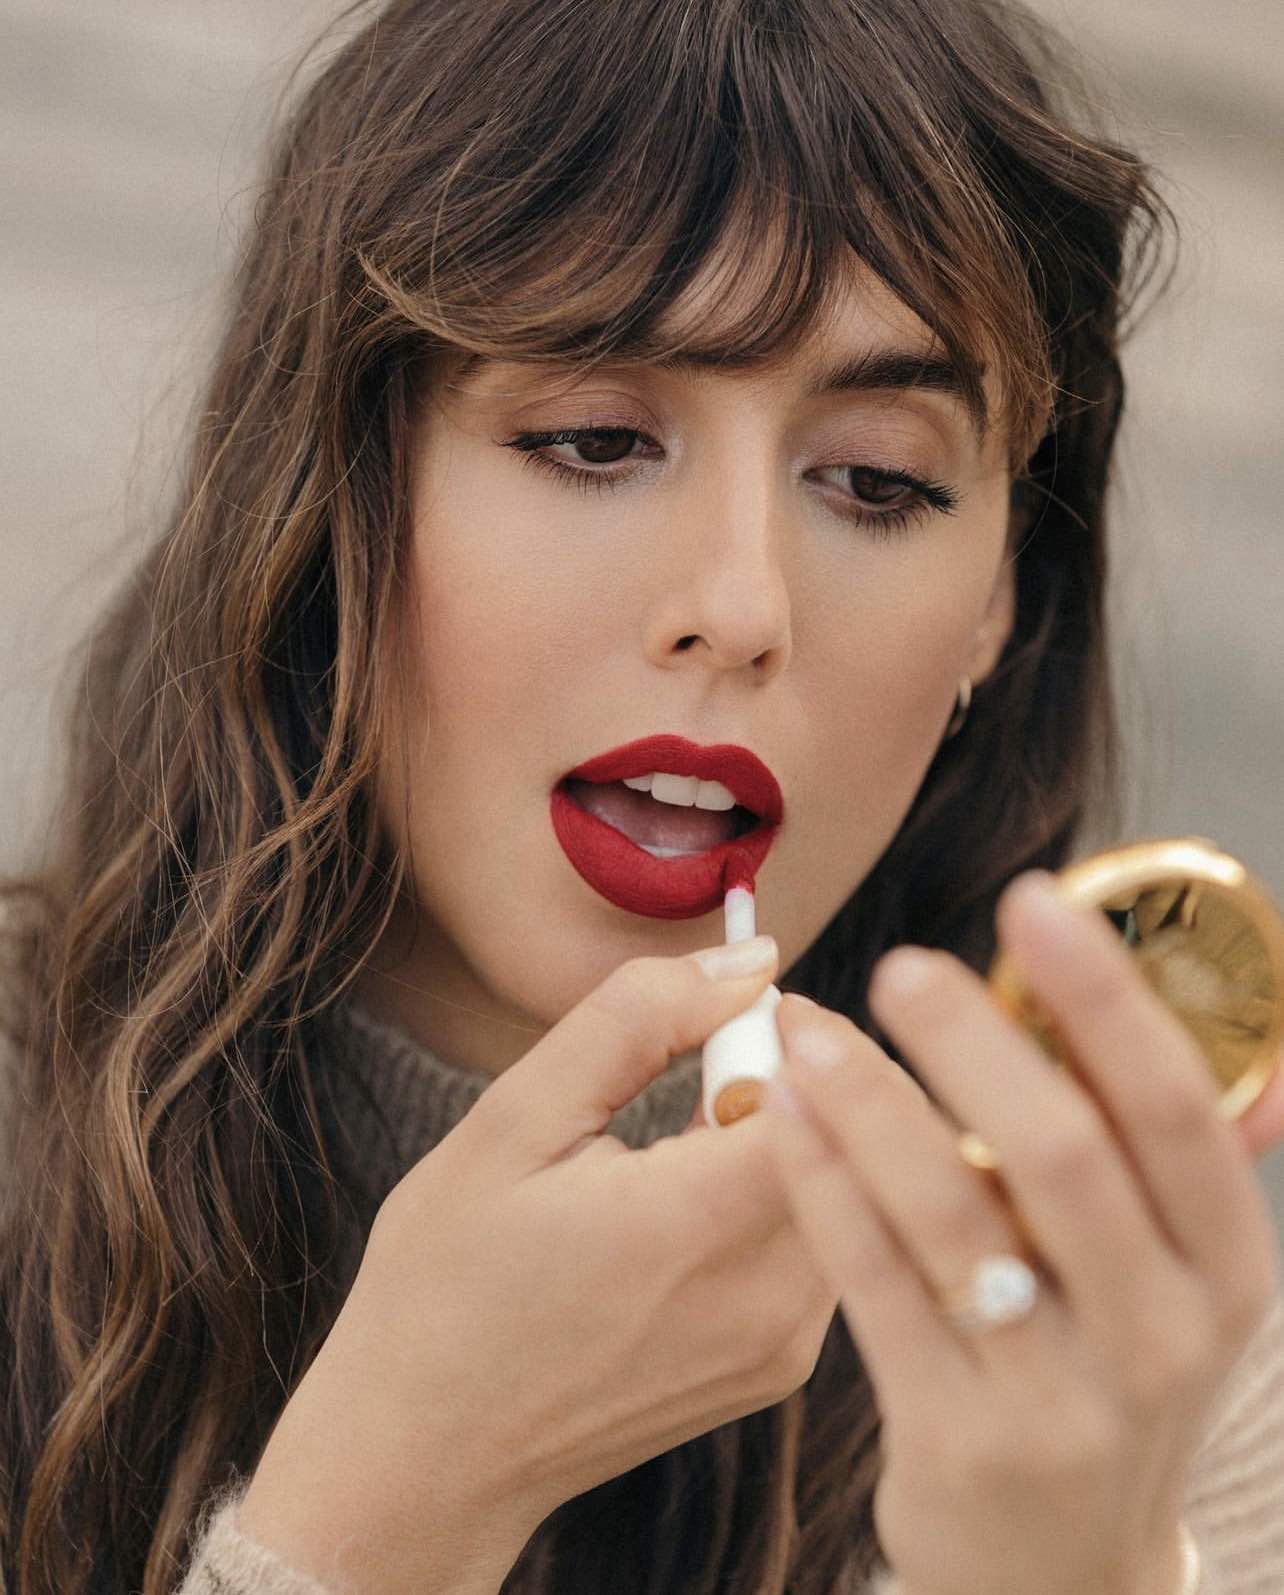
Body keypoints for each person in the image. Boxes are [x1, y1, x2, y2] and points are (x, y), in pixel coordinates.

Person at [2, 0, 1282, 1591]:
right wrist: (389, 1505)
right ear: (327, 493)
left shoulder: (1154, 1405)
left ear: (997, 609)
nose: (741, 605)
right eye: (596, 439)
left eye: (877, 481)